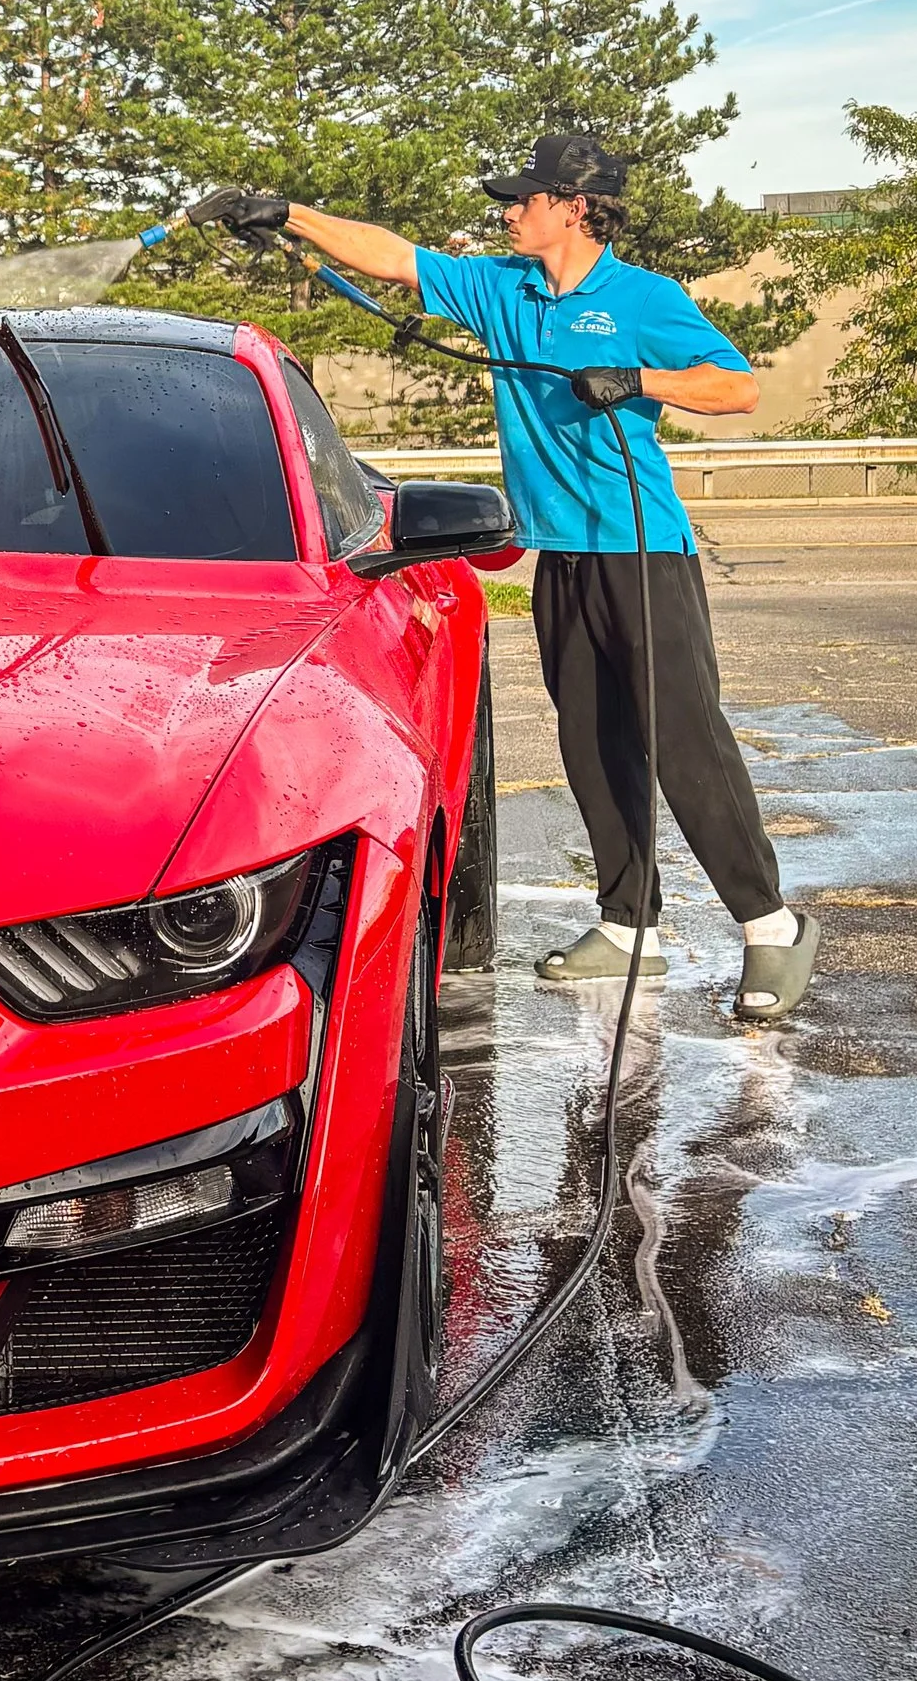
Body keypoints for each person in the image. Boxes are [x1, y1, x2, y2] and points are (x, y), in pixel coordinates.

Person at [189, 135, 821, 1023]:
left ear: (575, 205)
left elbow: (739, 388)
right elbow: (396, 258)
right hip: (562, 553)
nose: (508, 209)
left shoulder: (644, 298)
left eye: (525, 197)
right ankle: (628, 921)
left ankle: (770, 925)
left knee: (684, 742)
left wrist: (639, 377)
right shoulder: (504, 289)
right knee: (593, 744)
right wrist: (286, 214)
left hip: (642, 552)